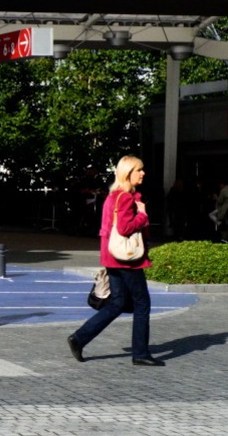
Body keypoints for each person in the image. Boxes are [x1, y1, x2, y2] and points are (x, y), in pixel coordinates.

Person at [67, 154, 164, 366]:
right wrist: (143, 216)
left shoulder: (112, 197)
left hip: (112, 257)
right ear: (128, 173)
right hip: (128, 259)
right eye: (139, 169)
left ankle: (79, 337)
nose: (143, 173)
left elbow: (107, 230)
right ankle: (140, 353)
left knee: (118, 302)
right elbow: (125, 228)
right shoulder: (128, 198)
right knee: (142, 303)